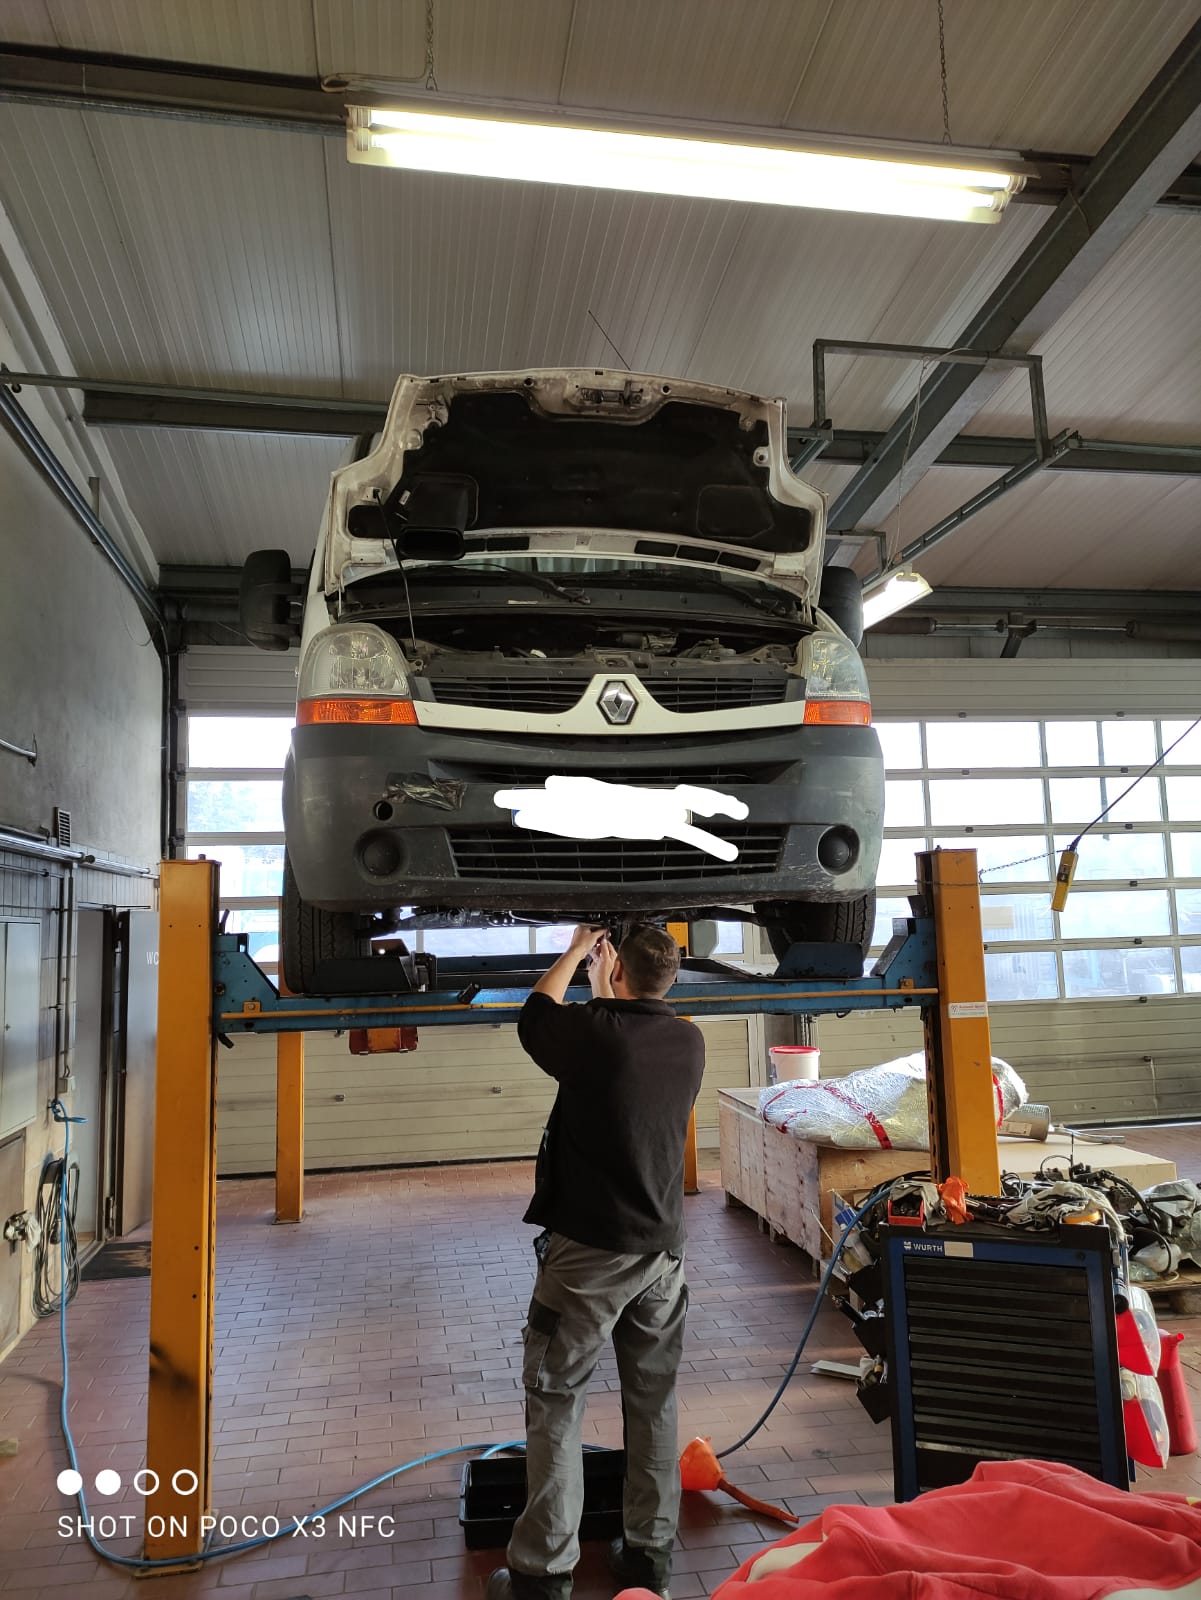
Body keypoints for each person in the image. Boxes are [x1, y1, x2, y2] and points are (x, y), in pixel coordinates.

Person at [487, 923, 705, 1600]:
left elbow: (535, 1013)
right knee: (653, 1400)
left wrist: (578, 950)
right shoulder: (688, 1041)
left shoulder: (595, 1036)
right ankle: (647, 1558)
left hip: (590, 1256)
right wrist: (607, 987)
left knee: (556, 1399)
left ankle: (542, 1573)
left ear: (617, 973)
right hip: (661, 1253)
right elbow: (614, 1028)